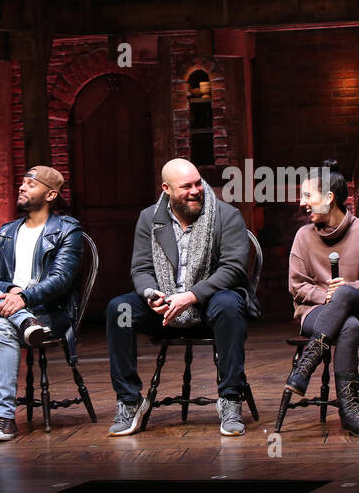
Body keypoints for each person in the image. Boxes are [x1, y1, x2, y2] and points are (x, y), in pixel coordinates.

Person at [104, 158, 260, 437]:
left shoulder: (226, 215)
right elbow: (141, 268)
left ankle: (230, 398)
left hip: (210, 307)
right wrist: (151, 294)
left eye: (198, 183)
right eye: (186, 186)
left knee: (229, 304)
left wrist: (191, 296)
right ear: (166, 189)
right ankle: (129, 400)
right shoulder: (149, 218)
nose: (196, 190)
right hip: (164, 309)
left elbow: (234, 269)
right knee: (120, 309)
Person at [0, 165, 84, 442]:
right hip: (17, 311)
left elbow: (60, 279)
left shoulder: (67, 229)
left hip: (49, 313)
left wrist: (23, 298)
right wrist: (13, 290)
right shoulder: (7, 232)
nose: (22, 187)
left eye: (31, 183)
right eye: (22, 182)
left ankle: (4, 418)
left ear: (50, 195)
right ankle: (23, 321)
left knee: (2, 327)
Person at [286, 161, 359, 435]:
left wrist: (349, 289)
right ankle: (351, 411)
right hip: (316, 313)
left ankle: (304, 367)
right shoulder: (303, 236)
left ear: (329, 198)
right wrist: (325, 295)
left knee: (345, 294)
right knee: (348, 326)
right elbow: (297, 285)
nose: (302, 202)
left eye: (308, 195)